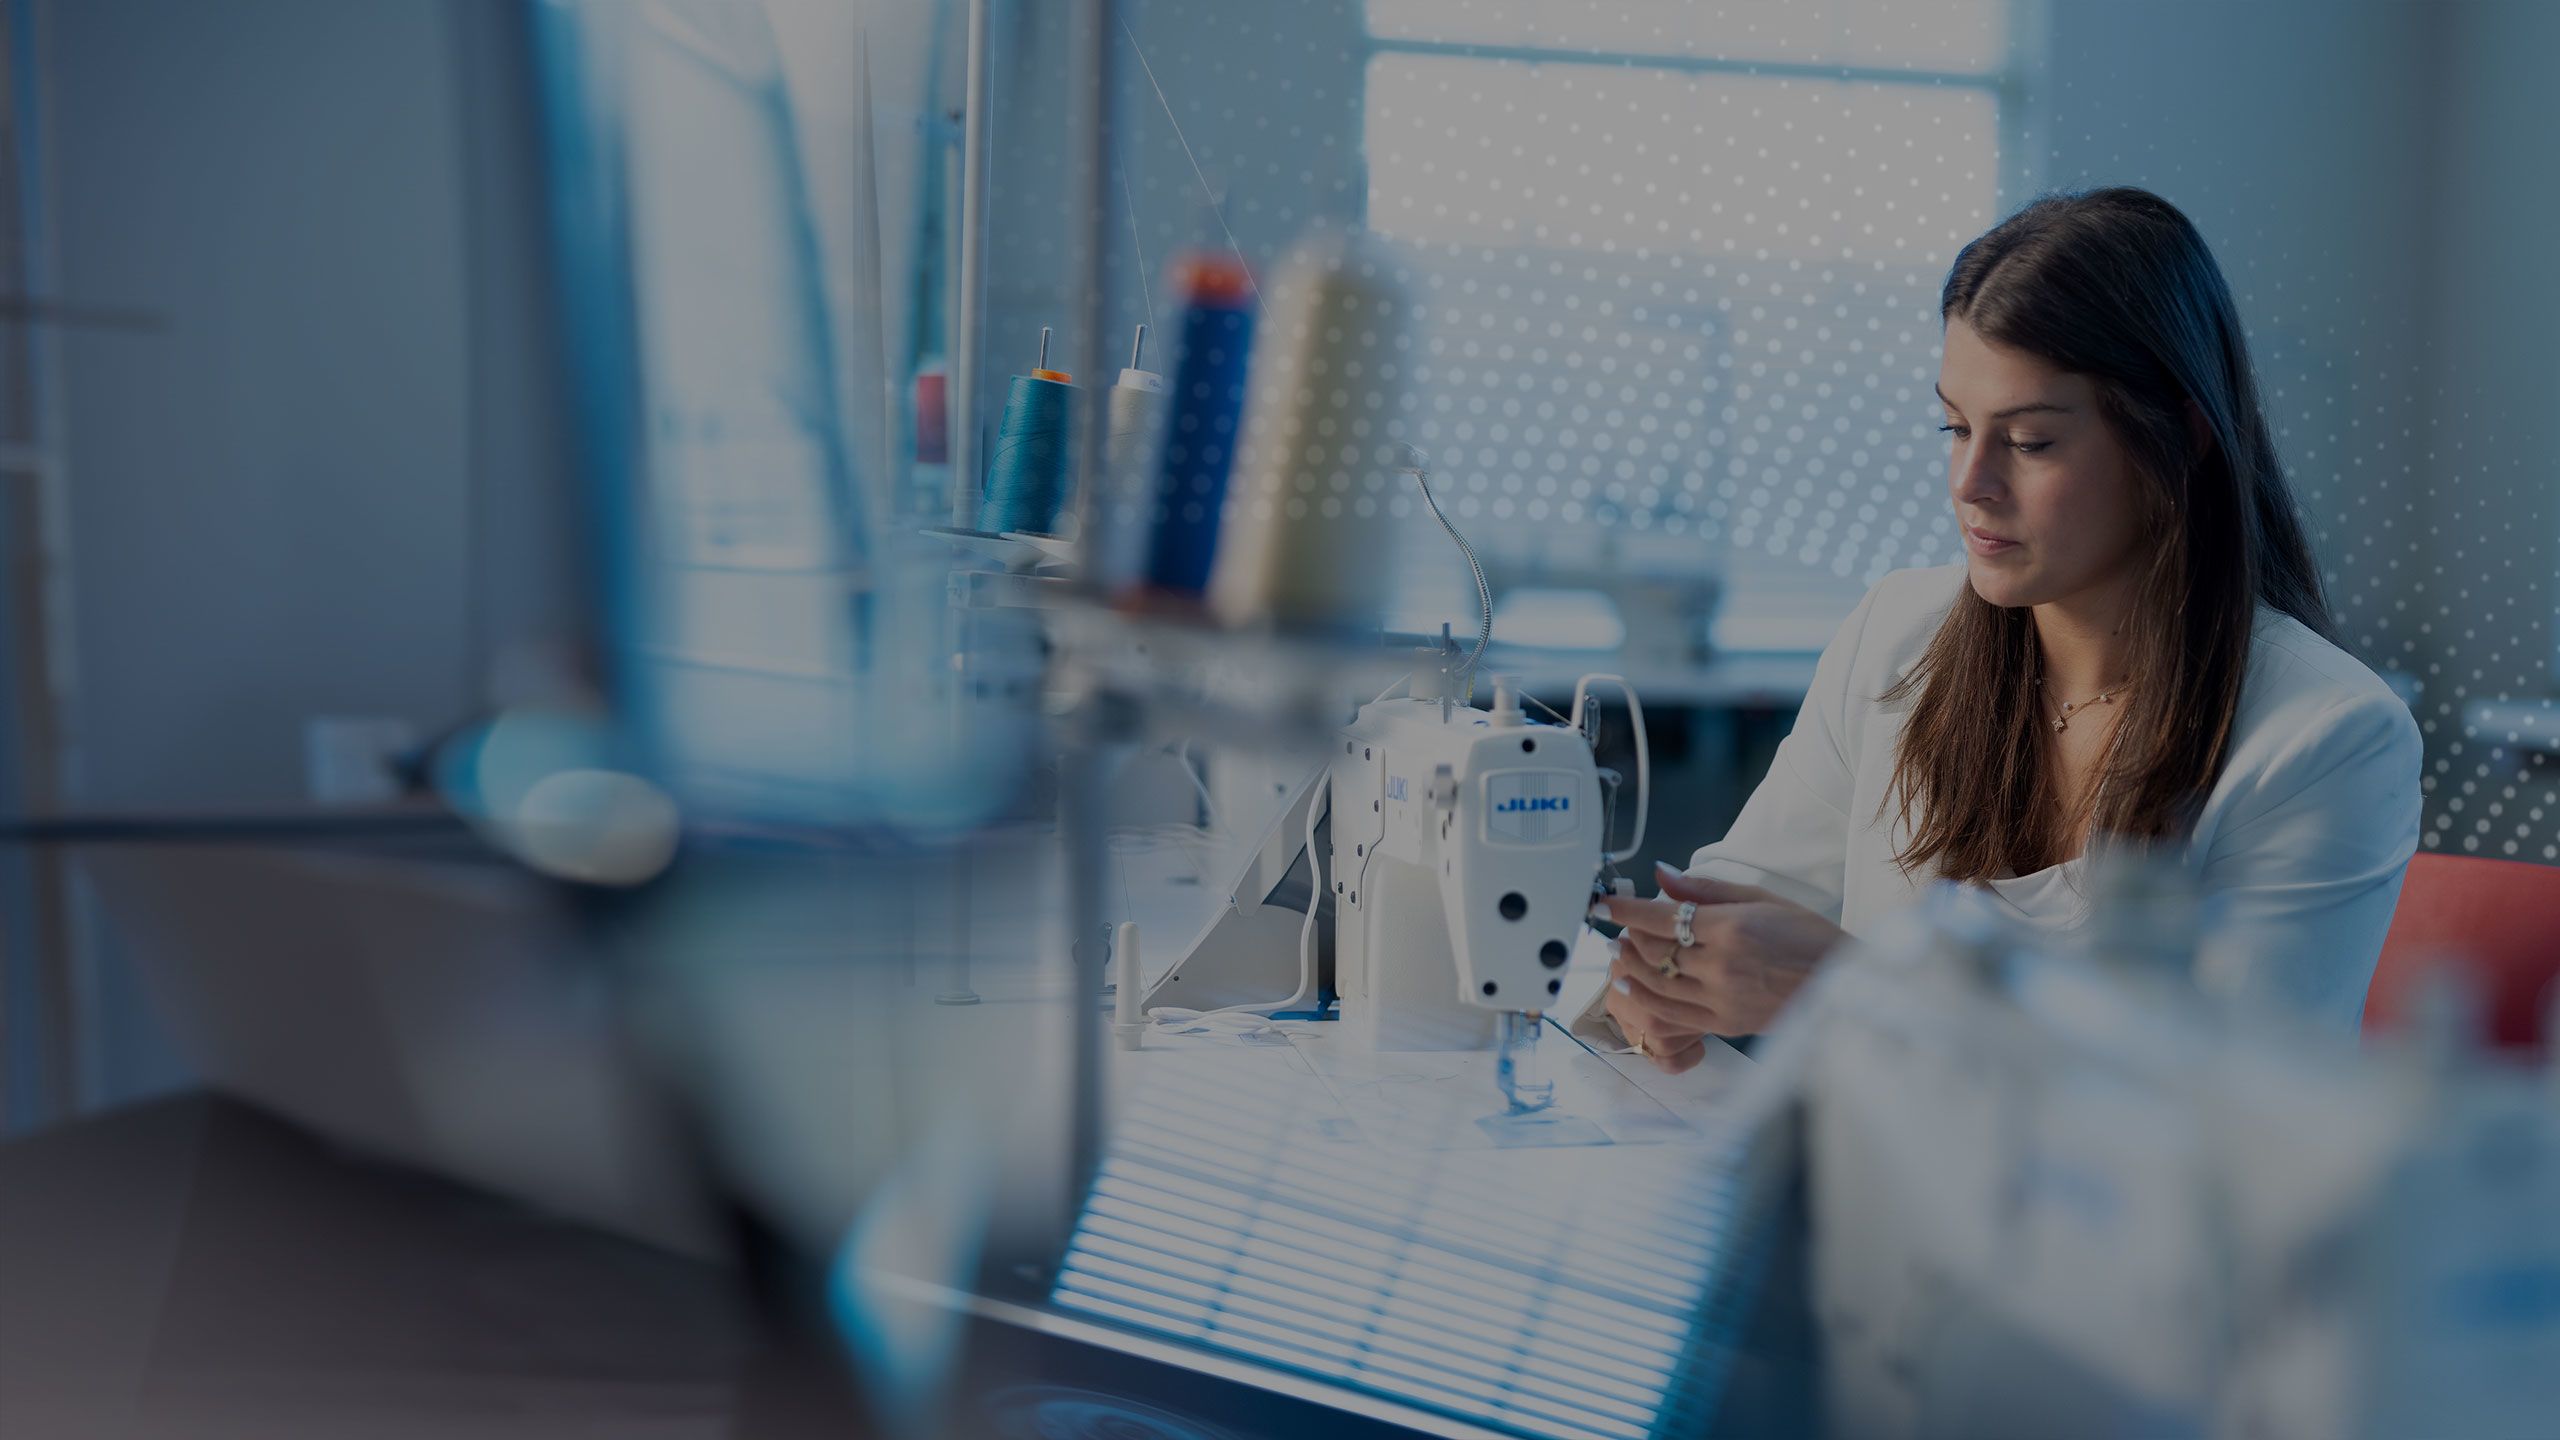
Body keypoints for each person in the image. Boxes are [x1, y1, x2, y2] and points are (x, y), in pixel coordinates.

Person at [1594, 187, 2423, 1072]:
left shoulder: (2328, 737)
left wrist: (1851, 986)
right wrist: (1657, 985)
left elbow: (2221, 1101)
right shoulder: (1897, 633)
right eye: (1954, 427)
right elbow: (1742, 907)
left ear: (2178, 436)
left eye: (2028, 442)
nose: (1970, 480)